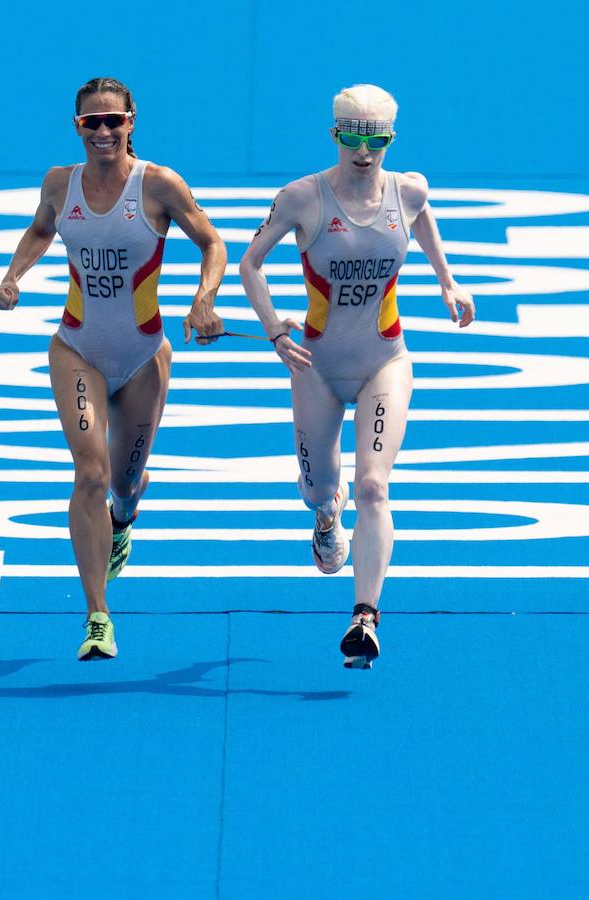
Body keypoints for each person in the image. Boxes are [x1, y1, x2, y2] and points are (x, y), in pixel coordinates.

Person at [239, 84, 475, 668]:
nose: (364, 152)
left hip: (383, 361)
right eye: (352, 137)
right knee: (323, 488)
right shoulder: (302, 198)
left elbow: (423, 225)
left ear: (391, 139)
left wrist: (448, 282)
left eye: (377, 139)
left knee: (374, 485)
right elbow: (250, 263)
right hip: (317, 367)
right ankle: (325, 515)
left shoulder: (410, 190)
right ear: (334, 136)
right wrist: (274, 331)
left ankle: (364, 619)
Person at [0, 77, 225, 660]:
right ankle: (98, 616)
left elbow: (212, 242)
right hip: (78, 349)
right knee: (90, 474)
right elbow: (42, 229)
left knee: (121, 484)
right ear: (76, 126)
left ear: (132, 122)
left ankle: (125, 515)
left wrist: (205, 299)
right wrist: (13, 275)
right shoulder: (58, 183)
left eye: (113, 121)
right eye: (90, 123)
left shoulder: (158, 185)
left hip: (145, 356)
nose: (102, 132)